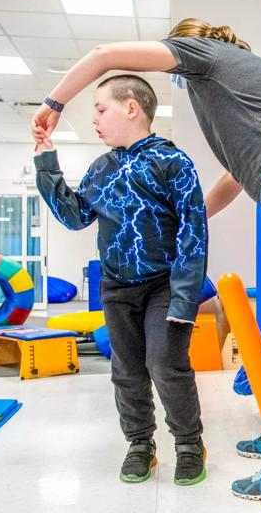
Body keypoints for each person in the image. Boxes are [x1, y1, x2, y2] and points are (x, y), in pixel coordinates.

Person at [31, 19, 261, 501]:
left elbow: (102, 55)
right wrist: (182, 215)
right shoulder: (239, 81)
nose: (174, 72)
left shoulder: (207, 57)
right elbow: (235, 176)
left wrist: (53, 105)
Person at [33, 74, 208, 486]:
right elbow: (74, 216)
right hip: (116, 286)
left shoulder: (173, 162)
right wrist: (46, 162)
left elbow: (193, 232)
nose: (94, 119)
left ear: (131, 108)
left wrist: (185, 299)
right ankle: (140, 445)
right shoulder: (101, 167)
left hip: (165, 284)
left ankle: (188, 443)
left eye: (100, 109)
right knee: (127, 370)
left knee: (164, 363)